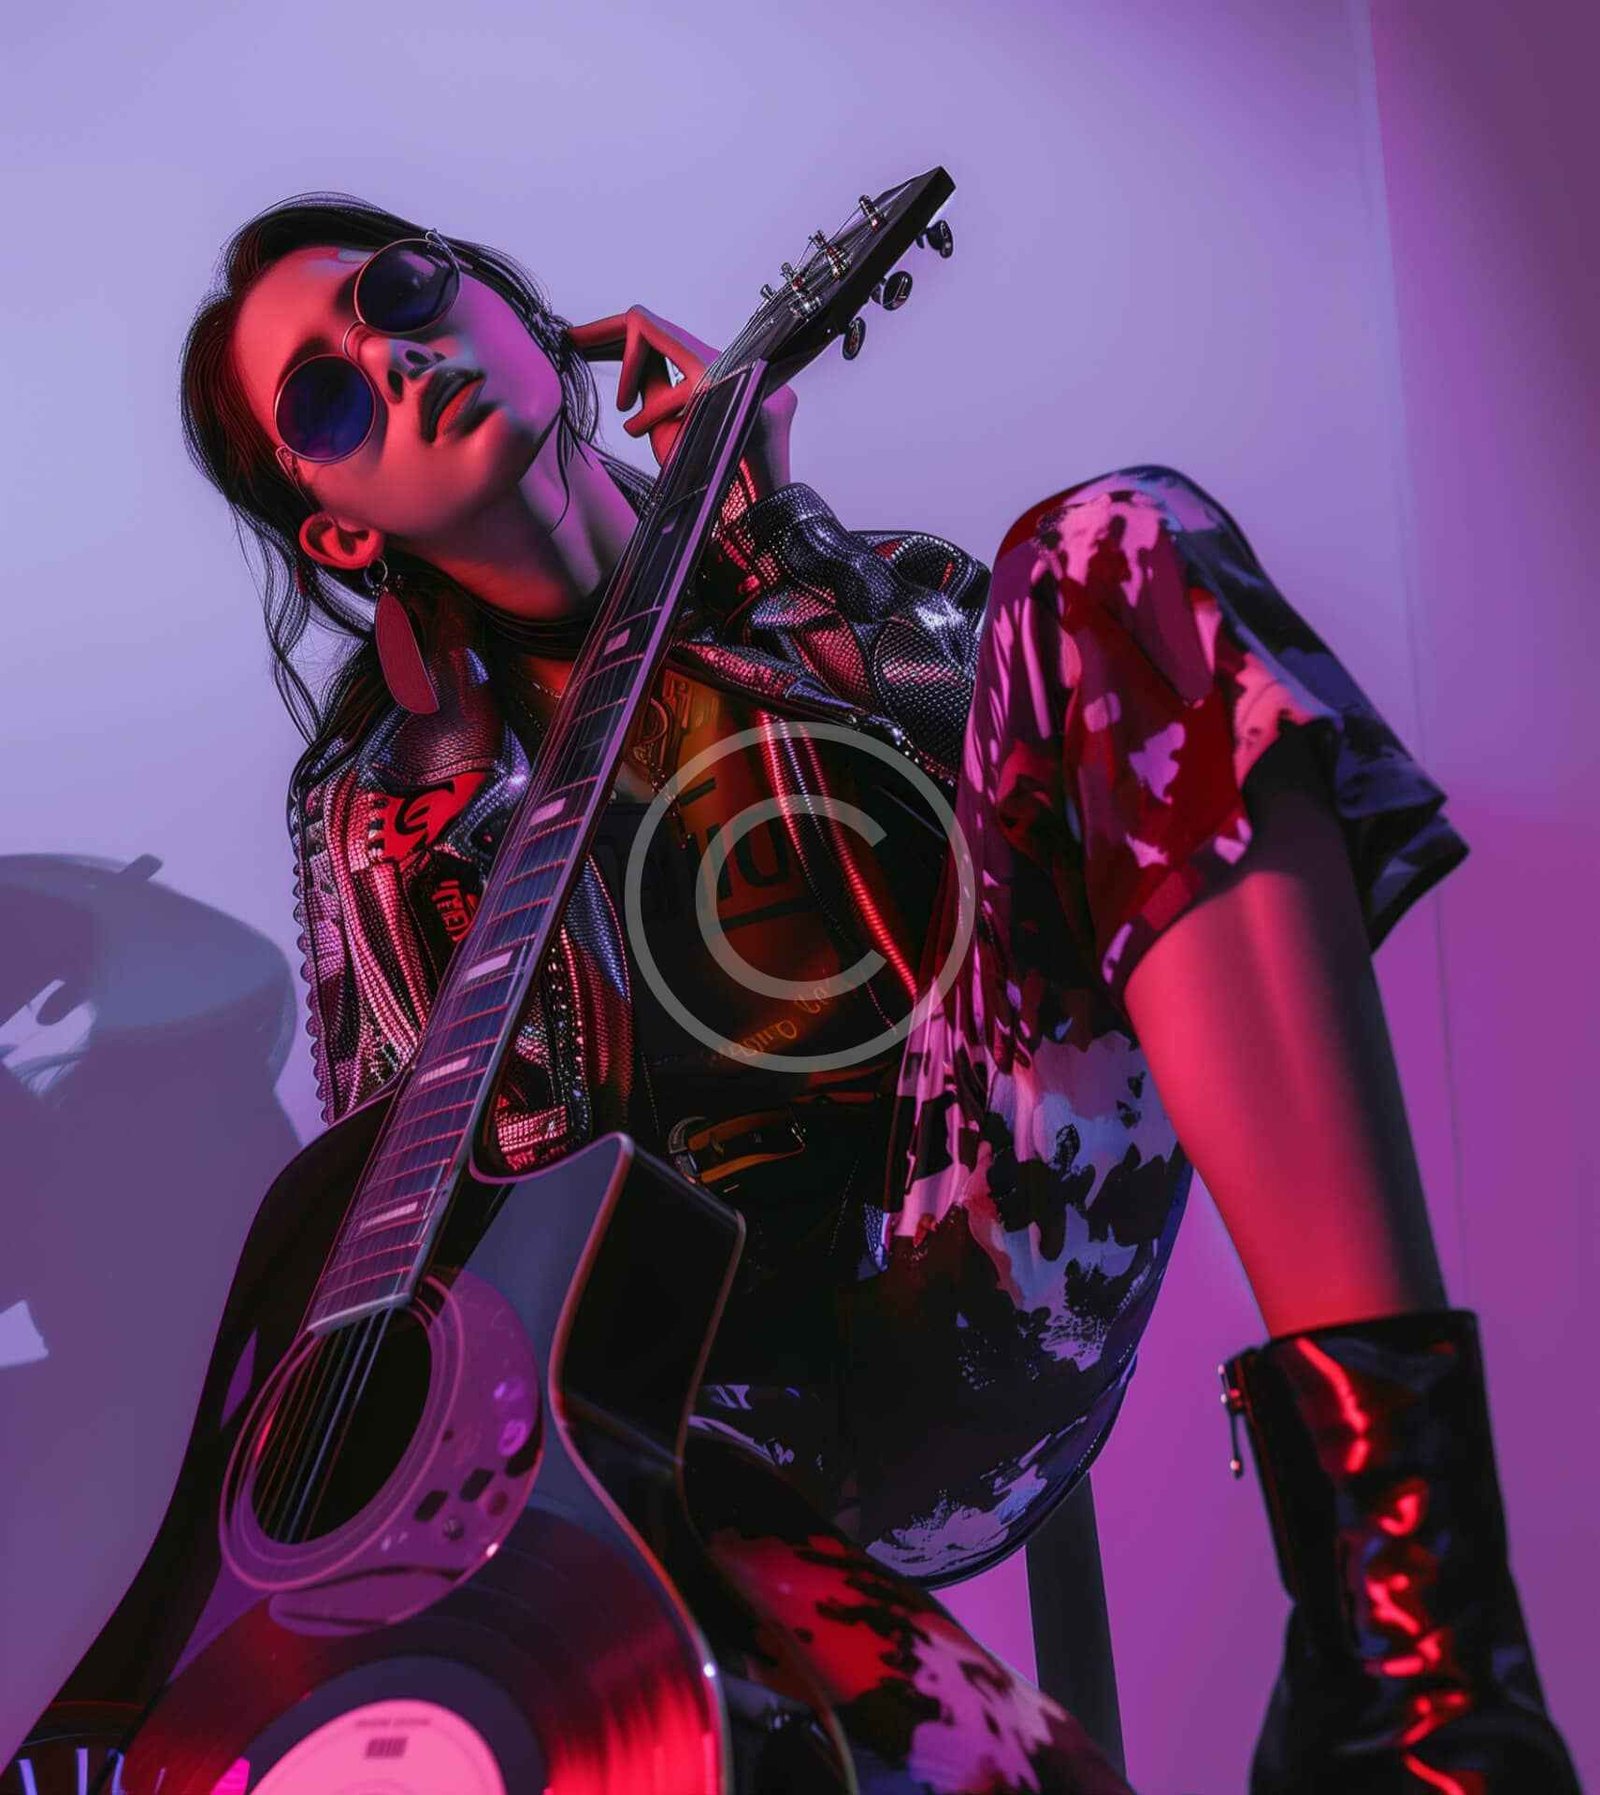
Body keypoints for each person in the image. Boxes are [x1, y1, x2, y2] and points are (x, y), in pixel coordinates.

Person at [176, 193, 1578, 1793]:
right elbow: (411, 1247)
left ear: (517, 307)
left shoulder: (857, 585)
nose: (395, 357)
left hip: (978, 1250)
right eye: (327, 400)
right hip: (692, 1428)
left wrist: (777, 543)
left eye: (403, 290)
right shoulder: (379, 814)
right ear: (338, 531)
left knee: (1115, 542)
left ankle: (1413, 1631)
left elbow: (1066, 838)